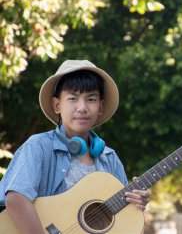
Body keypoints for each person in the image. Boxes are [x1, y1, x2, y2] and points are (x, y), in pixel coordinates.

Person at [0, 60, 150, 233]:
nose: (82, 107)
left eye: (91, 99)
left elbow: (120, 223)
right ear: (57, 105)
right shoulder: (39, 146)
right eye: (72, 98)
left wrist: (136, 204)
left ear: (100, 106)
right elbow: (16, 199)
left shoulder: (110, 158)